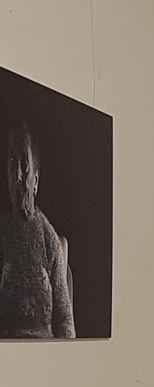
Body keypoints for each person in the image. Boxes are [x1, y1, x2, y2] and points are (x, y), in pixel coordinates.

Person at [1, 121, 74, 338]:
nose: (17, 175)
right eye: (12, 161)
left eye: (24, 163)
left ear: (36, 181)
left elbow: (64, 320)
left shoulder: (50, 240)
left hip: (45, 358)